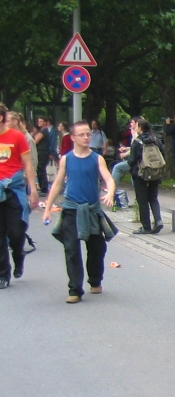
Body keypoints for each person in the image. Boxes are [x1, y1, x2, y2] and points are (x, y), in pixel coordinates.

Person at [42, 121, 118, 303]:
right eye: (82, 134)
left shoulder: (97, 158)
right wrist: (48, 208)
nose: (86, 137)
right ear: (73, 137)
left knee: (97, 249)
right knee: (71, 249)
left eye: (88, 134)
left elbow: (109, 179)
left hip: (92, 210)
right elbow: (58, 184)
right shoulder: (66, 159)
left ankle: (95, 280)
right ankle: (75, 290)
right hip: (71, 209)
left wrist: (110, 193)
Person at [0, 104, 38, 289]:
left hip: (14, 189)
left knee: (16, 231)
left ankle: (18, 254)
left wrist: (33, 190)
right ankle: (3, 274)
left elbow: (28, 164)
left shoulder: (17, 137)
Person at [127, 118, 164, 234]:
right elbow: (162, 153)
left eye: (136, 125)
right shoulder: (156, 140)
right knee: (153, 198)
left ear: (140, 128)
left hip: (141, 174)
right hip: (155, 173)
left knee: (142, 200)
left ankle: (146, 226)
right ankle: (158, 220)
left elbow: (132, 159)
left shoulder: (137, 142)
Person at [33, 115, 53, 193]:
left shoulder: (44, 131)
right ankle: (43, 187)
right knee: (41, 170)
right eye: (39, 121)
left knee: (41, 170)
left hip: (42, 152)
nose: (39, 123)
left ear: (45, 122)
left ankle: (44, 188)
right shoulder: (43, 131)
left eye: (41, 121)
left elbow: (36, 141)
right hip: (42, 151)